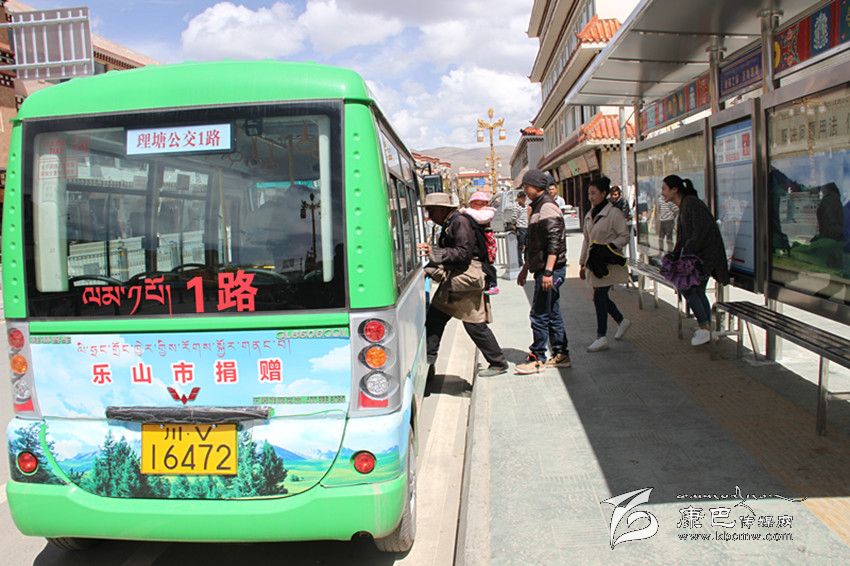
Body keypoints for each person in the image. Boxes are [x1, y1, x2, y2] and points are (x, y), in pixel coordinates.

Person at [417, 192, 508, 377]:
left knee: (474, 325)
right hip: (458, 280)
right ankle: (428, 364)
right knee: (435, 319)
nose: (430, 216)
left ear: (442, 210)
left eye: (431, 211)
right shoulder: (451, 222)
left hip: (465, 280)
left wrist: (433, 252)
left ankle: (498, 362)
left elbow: (462, 253)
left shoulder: (459, 222)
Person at [661, 175, 729, 346]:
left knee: (689, 289)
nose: (662, 193)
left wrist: (684, 254)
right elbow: (684, 238)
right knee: (696, 291)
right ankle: (706, 329)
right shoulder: (686, 205)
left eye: (664, 189)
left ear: (675, 189)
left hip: (705, 257)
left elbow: (699, 234)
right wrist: (676, 254)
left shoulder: (691, 204)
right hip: (700, 256)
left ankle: (705, 329)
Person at [514, 169, 571, 374]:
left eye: (526, 186)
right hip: (544, 269)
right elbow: (534, 244)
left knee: (539, 313)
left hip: (551, 271)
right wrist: (525, 269)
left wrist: (548, 272)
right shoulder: (537, 207)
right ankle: (561, 353)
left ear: (536, 186)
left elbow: (554, 243)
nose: (524, 190)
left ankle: (537, 357)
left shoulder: (547, 207)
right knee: (552, 312)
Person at [579, 176, 631, 352]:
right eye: (589, 193)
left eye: (594, 193)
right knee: (599, 296)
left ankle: (601, 336)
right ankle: (621, 321)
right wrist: (582, 263)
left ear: (603, 193)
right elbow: (586, 240)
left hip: (608, 263)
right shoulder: (589, 214)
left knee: (599, 296)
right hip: (594, 263)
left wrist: (609, 247)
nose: (590, 197)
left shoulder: (614, 213)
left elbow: (624, 236)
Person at [461, 191, 499, 295]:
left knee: (487, 263)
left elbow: (481, 219)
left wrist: (466, 212)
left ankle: (493, 284)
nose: (479, 206)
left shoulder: (488, 212)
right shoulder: (470, 213)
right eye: (476, 203)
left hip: (486, 240)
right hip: (479, 241)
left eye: (481, 203)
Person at [512, 192, 529, 267]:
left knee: (528, 245)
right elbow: (514, 218)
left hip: (527, 226)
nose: (523, 199)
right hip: (521, 227)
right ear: (518, 198)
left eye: (524, 198)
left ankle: (527, 260)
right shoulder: (516, 207)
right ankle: (519, 261)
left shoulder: (526, 206)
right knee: (520, 245)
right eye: (522, 198)